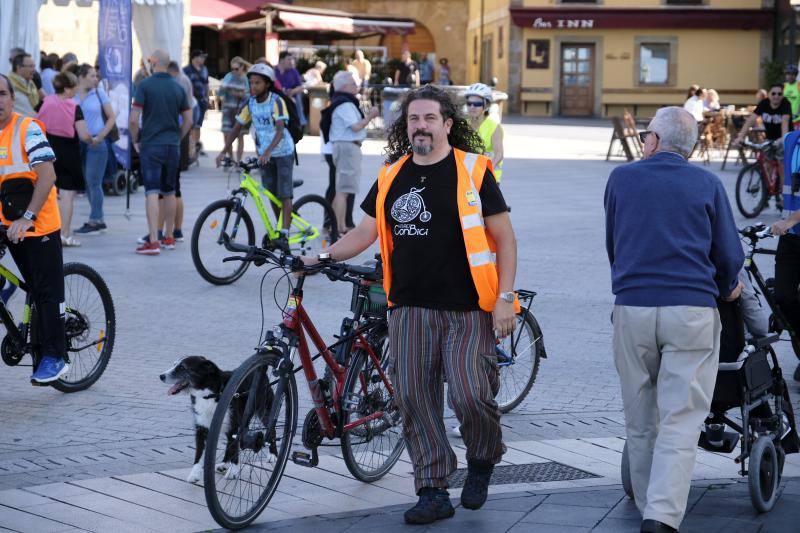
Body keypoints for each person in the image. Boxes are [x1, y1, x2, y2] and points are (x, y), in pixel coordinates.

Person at [305, 85, 517, 525]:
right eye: (413, 119)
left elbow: (505, 239)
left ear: (447, 125)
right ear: (406, 126)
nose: (420, 126)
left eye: (429, 118)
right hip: (407, 308)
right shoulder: (391, 174)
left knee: (470, 393)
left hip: (466, 308)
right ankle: (433, 488)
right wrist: (321, 257)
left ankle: (482, 456)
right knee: (415, 399)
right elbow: (364, 233)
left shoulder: (474, 171)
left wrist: (505, 299)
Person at [604, 106, 744, 533]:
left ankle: (650, 505)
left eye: (647, 134)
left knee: (640, 417)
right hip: (691, 310)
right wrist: (725, 285)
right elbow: (729, 256)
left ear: (654, 141)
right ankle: (661, 518)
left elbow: (614, 243)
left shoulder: (621, 179)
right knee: (681, 419)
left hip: (633, 307)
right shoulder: (706, 182)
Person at [0, 73, 70, 383]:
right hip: (6, 224)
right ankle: (9, 286)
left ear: (12, 99)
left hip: (38, 226)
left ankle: (55, 356)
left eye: (1, 94)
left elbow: (48, 176)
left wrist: (27, 217)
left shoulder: (26, 129)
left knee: (45, 292)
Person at [215, 64, 295, 252]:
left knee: (284, 193)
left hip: (283, 152)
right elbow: (236, 127)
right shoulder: (250, 103)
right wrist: (223, 151)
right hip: (264, 155)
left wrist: (268, 151)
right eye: (251, 83)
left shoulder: (276, 101)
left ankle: (285, 232)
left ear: (267, 84)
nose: (253, 87)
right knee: (271, 194)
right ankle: (279, 228)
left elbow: (280, 130)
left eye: (257, 83)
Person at [129, 49, 192, 255]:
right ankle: (170, 236)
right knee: (170, 191)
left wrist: (135, 139)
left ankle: (153, 241)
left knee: (152, 192)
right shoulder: (178, 87)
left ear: (154, 62)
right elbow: (189, 120)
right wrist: (177, 138)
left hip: (151, 145)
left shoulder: (144, 85)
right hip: (172, 146)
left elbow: (133, 118)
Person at [37, 72, 93, 247]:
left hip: (48, 151)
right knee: (67, 196)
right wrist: (94, 140)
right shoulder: (74, 107)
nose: (76, 89)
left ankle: (48, 234)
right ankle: (64, 235)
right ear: (68, 88)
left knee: (47, 193)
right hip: (69, 154)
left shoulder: (46, 102)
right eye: (74, 85)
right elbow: (84, 135)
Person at [326, 71, 378, 233]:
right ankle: (339, 227)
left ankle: (339, 226)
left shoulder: (343, 102)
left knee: (343, 190)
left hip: (346, 147)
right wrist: (370, 116)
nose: (357, 87)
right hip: (347, 147)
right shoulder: (344, 104)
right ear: (345, 86)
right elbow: (355, 126)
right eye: (354, 84)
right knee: (343, 191)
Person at [72, 64, 116, 236]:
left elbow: (112, 117)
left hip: (96, 143)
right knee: (88, 183)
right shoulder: (73, 94)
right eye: (92, 76)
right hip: (79, 143)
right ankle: (97, 218)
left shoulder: (98, 92)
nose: (96, 79)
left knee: (93, 182)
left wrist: (101, 137)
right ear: (81, 77)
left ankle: (96, 220)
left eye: (95, 76)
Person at [770, 129, 800, 381]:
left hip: (791, 226)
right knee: (783, 296)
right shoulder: (792, 139)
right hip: (791, 236)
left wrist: (790, 220)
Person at [736, 83, 791, 208]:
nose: (776, 96)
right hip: (770, 139)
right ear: (769, 94)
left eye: (779, 94)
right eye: (773, 93)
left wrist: (780, 140)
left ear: (782, 95)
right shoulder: (764, 104)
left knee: (782, 167)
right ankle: (766, 195)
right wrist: (740, 137)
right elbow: (750, 120)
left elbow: (785, 125)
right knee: (766, 165)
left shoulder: (785, 105)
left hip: (784, 138)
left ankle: (784, 197)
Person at [465, 83, 504, 182]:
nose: (472, 107)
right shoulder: (463, 125)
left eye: (477, 104)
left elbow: (499, 154)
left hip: (488, 179)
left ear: (486, 105)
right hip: (467, 178)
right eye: (469, 103)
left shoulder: (494, 126)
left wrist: (487, 171)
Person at [219, 57, 250, 163]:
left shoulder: (245, 78)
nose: (234, 71)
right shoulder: (228, 76)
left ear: (242, 68)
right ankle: (231, 158)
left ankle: (239, 161)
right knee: (226, 134)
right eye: (232, 69)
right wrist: (223, 88)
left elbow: (249, 95)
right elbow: (220, 93)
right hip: (228, 109)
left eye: (236, 69)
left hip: (240, 110)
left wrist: (240, 94)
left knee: (240, 135)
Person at [183, 50, 209, 156]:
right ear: (194, 58)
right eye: (201, 57)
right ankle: (190, 148)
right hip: (191, 102)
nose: (203, 59)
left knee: (198, 125)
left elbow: (206, 84)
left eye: (204, 57)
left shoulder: (204, 69)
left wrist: (207, 98)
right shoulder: (186, 70)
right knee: (190, 125)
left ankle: (196, 146)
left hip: (202, 101)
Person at [275, 51, 307, 127]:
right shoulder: (273, 71)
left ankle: (299, 123)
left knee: (297, 98)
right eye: (289, 59)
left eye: (292, 59)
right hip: (276, 96)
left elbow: (301, 87)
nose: (291, 62)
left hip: (291, 96)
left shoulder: (293, 71)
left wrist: (292, 92)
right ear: (281, 60)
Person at [784, 64, 800, 129]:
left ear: (796, 75)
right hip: (785, 118)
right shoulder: (784, 86)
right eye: (788, 74)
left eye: (792, 74)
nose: (790, 76)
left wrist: (798, 113)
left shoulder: (799, 85)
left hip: (797, 119)